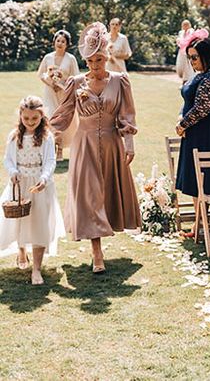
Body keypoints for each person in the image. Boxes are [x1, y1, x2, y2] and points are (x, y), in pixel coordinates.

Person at [50, 22, 140, 273]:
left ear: (106, 57)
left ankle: (103, 239)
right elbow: (63, 115)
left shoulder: (120, 81)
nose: (94, 65)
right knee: (89, 196)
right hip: (84, 145)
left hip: (112, 144)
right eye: (89, 61)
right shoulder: (76, 83)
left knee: (107, 193)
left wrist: (129, 143)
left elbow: (127, 115)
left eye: (98, 59)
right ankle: (96, 252)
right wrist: (40, 133)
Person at [0, 96, 65, 285]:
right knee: (19, 221)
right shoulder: (14, 136)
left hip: (39, 185)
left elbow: (50, 161)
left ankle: (36, 269)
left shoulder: (46, 137)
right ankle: (21, 250)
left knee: (38, 224)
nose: (30, 122)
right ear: (20, 116)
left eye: (34, 119)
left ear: (41, 117)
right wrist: (12, 172)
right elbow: (8, 159)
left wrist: (44, 179)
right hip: (19, 185)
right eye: (26, 118)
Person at [174, 37, 210, 224]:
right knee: (195, 177)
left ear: (207, 56)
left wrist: (182, 125)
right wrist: (181, 117)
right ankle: (200, 222)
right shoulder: (201, 73)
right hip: (196, 132)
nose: (192, 62)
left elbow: (202, 108)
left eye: (195, 57)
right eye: (190, 58)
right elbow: (189, 102)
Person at [37, 29, 80, 160]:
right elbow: (40, 74)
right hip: (50, 93)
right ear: (54, 42)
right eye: (58, 40)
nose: (60, 43)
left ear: (67, 44)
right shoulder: (48, 57)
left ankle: (60, 149)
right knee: (50, 119)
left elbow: (76, 77)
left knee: (62, 121)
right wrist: (51, 83)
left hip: (64, 94)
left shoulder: (71, 59)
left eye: (63, 41)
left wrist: (63, 84)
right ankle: (52, 148)